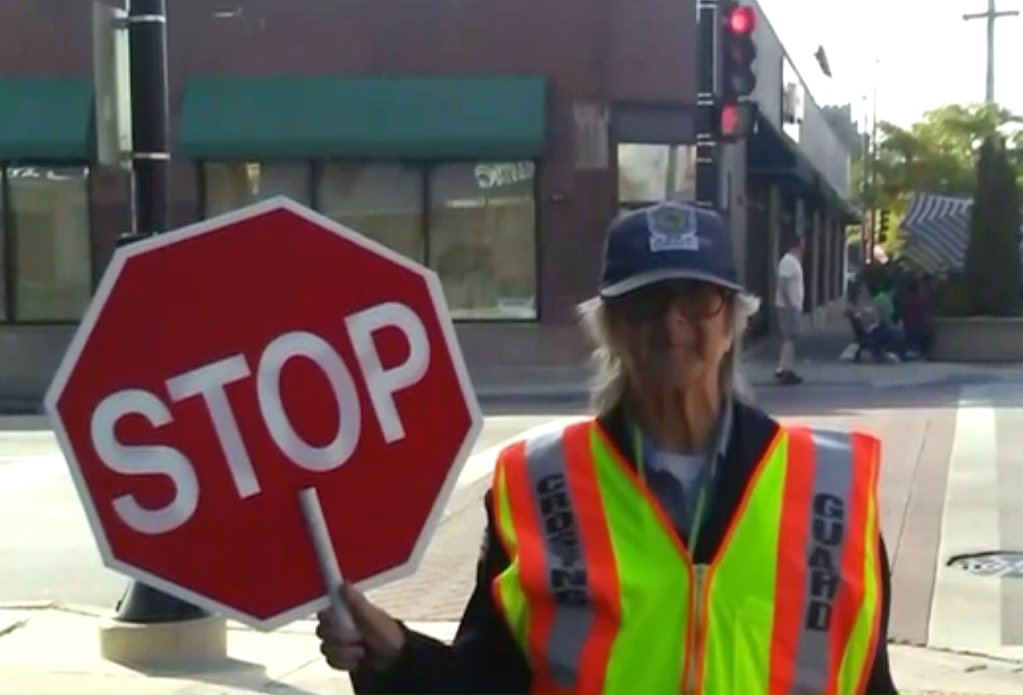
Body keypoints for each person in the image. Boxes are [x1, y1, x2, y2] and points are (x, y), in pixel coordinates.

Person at [316, 201, 900, 694]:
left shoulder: (830, 489)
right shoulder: (540, 485)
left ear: (734, 323)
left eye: (696, 298)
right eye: (644, 302)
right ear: (610, 329)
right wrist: (392, 654)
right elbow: (487, 680)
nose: (672, 321)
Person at [774, 236, 805, 385]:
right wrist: (788, 302)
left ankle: (784, 367)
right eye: (802, 244)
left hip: (792, 305)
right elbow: (782, 283)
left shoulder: (793, 262)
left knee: (790, 338)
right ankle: (785, 369)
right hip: (789, 306)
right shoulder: (788, 261)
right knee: (789, 338)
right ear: (796, 246)